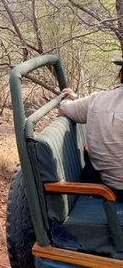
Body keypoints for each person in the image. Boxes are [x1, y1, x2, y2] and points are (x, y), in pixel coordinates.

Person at [59, 59, 123, 199]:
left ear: (121, 76)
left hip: (106, 186)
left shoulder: (97, 100)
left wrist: (71, 97)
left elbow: (65, 107)